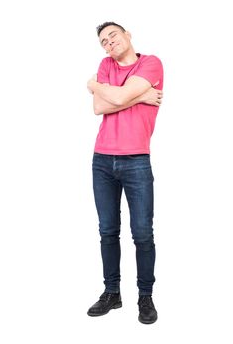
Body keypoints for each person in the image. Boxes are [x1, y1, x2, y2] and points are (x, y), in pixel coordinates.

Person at [86, 22, 163, 324]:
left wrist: (95, 85)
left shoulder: (151, 63)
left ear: (128, 35)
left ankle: (145, 296)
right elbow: (97, 107)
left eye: (113, 36)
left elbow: (114, 100)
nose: (109, 44)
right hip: (102, 160)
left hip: (136, 161)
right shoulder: (106, 64)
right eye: (104, 42)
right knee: (107, 231)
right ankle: (112, 293)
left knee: (142, 233)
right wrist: (140, 96)